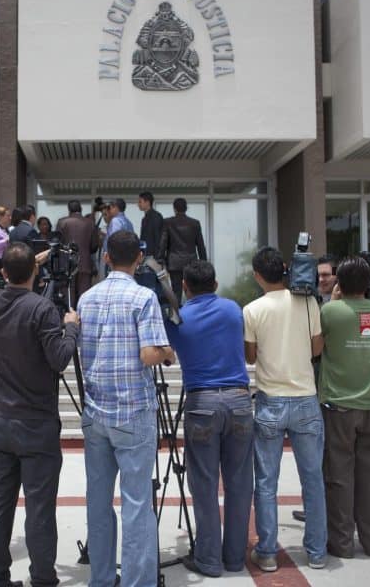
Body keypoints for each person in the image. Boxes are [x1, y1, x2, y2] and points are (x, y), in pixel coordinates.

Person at [78, 230, 175, 587]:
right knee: (136, 504)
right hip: (133, 411)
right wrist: (167, 351)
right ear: (138, 259)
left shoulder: (86, 298)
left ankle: (102, 579)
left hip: (96, 412)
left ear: (106, 257)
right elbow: (149, 354)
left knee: (98, 502)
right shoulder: (143, 297)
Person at [0, 242, 80, 587]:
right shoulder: (42, 309)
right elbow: (60, 358)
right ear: (35, 272)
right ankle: (42, 577)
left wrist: (27, 264)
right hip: (36, 423)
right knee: (39, 508)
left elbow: (5, 281)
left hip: (1, 420)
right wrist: (72, 327)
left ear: (4, 273)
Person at [163, 261, 252, 578]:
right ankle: (235, 558)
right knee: (240, 483)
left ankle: (209, 560)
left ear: (185, 286)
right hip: (239, 400)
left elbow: (167, 355)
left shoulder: (178, 318)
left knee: (204, 485)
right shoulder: (233, 310)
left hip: (201, 402)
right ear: (215, 284)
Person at [243, 247, 326, 572]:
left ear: (257, 276)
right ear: (285, 270)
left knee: (266, 482)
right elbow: (317, 348)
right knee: (313, 479)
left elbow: (250, 357)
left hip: (270, 402)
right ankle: (317, 552)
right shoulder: (308, 303)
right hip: (305, 399)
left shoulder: (252, 310)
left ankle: (266, 553)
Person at [319, 256, 370, 559]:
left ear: (339, 282)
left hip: (339, 407)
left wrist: (335, 298)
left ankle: (342, 543)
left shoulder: (330, 311)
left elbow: (318, 343)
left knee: (339, 476)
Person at [293, 253, 338, 522]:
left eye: (326, 275)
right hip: (310, 384)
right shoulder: (308, 303)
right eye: (318, 275)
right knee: (312, 455)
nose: (321, 279)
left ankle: (329, 509)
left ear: (336, 277)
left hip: (333, 387)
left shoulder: (340, 307)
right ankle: (313, 507)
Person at [159, 197, 207, 299]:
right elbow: (200, 245)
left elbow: (163, 242)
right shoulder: (195, 223)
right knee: (193, 290)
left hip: (174, 263)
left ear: (174, 209)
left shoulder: (168, 222)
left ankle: (177, 309)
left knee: (176, 291)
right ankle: (193, 309)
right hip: (191, 263)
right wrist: (204, 263)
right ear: (186, 208)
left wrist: (160, 259)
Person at [56, 200, 99, 307]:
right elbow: (94, 246)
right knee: (84, 296)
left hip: (67, 265)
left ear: (69, 209)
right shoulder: (90, 223)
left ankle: (69, 315)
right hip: (84, 264)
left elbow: (57, 243)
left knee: (68, 297)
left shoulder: (62, 222)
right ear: (81, 209)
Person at [137, 192, 164, 261]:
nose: (138, 204)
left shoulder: (156, 217)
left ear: (147, 202)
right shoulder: (144, 219)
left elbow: (158, 238)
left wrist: (157, 258)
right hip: (146, 255)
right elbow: (143, 239)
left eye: (140, 202)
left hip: (153, 256)